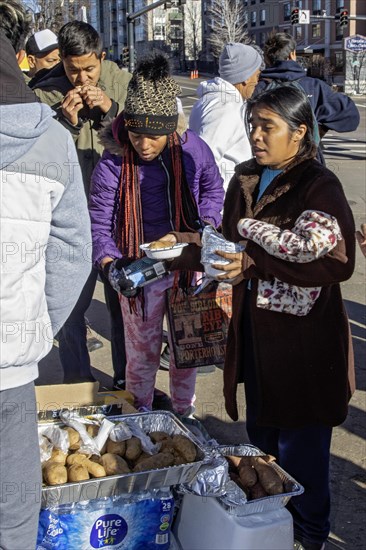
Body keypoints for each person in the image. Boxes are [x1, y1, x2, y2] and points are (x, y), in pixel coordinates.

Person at [210, 87, 355, 550]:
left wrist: (255, 263)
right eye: (252, 124)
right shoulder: (246, 178)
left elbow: (335, 264)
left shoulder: (318, 184)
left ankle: (310, 535)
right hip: (256, 335)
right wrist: (191, 251)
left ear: (299, 133)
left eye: (267, 127)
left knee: (303, 450)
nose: (256, 135)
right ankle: (269, 530)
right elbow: (234, 243)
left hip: (304, 345)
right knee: (263, 439)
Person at [0, 2, 91, 547]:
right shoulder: (49, 137)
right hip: (8, 365)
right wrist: (31, 328)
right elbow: (71, 254)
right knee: (13, 510)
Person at [89, 53, 224, 415]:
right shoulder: (113, 162)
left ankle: (184, 414)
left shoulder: (193, 148)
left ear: (170, 130)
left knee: (187, 351)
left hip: (188, 265)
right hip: (138, 268)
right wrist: (110, 263)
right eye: (136, 135)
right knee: (142, 356)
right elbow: (99, 222)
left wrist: (206, 227)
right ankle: (141, 417)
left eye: (153, 136)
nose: (144, 145)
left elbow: (213, 189)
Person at [33, 20, 131, 387]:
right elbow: (36, 158)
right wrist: (65, 122)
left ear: (102, 58)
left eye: (90, 69)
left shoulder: (123, 81)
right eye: (72, 70)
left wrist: (112, 108)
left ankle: (127, 383)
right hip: (67, 220)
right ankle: (78, 383)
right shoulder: (44, 93)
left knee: (124, 305)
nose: (81, 78)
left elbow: (147, 141)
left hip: (118, 217)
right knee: (71, 309)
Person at [255, 32, 360, 163]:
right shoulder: (314, 86)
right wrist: (318, 127)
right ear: (292, 54)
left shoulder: (257, 88)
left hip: (267, 162)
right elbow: (350, 118)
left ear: (266, 58)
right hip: (306, 164)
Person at [189, 42, 263, 191]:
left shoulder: (210, 100)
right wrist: (212, 208)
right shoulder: (226, 107)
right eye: (257, 75)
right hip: (223, 203)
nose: (257, 81)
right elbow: (204, 160)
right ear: (246, 77)